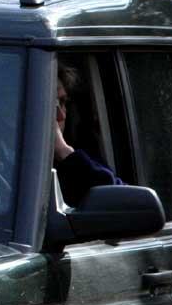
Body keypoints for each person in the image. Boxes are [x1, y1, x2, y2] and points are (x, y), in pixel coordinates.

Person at [52, 64, 121, 206]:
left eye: (63, 102)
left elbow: (119, 200)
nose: (61, 115)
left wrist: (65, 154)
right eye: (49, 106)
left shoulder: (80, 160)